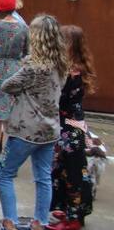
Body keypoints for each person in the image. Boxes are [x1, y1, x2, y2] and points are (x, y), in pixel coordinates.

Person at [0, 15, 68, 230]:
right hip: (50, 128)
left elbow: (7, 85)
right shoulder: (61, 65)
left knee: (4, 173)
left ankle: (10, 223)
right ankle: (40, 222)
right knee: (43, 177)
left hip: (25, 129)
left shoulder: (32, 68)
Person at [50, 25, 97, 230]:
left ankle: (74, 218)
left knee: (72, 173)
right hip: (73, 124)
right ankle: (66, 212)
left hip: (68, 126)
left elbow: (60, 102)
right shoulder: (78, 67)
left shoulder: (72, 72)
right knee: (65, 171)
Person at [0, 0, 29, 172]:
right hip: (14, 70)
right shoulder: (23, 27)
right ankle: (7, 155)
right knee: (10, 115)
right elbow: (27, 52)